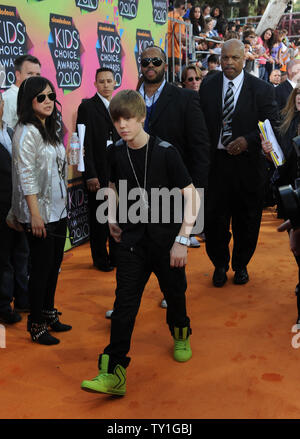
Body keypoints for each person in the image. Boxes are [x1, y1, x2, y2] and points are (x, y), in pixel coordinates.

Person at [81, 90, 200, 396]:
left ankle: (181, 333)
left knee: (175, 296)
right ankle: (114, 374)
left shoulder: (166, 152)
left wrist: (182, 240)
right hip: (132, 242)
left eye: (129, 119)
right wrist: (110, 217)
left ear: (142, 117)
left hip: (167, 240)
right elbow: (111, 185)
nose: (122, 125)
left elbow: (191, 196)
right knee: (123, 307)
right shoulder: (116, 153)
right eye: (117, 119)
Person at [199, 39, 279, 287]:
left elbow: (272, 125)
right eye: (225, 58)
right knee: (215, 220)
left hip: (248, 166)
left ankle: (241, 264)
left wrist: (248, 141)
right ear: (219, 59)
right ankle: (220, 264)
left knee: (247, 219)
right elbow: (201, 124)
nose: (229, 62)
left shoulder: (262, 89)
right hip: (217, 165)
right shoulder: (209, 85)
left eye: (234, 58)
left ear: (244, 59)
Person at [7, 76, 72, 345]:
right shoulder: (26, 131)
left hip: (58, 211)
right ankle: (35, 324)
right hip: (40, 214)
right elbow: (26, 176)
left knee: (54, 267)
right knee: (41, 270)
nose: (48, 101)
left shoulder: (49, 128)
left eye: (51, 96)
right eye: (41, 97)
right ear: (28, 101)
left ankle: (47, 313)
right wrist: (34, 214)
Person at [261, 86, 300, 323]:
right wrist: (268, 152)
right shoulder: (286, 125)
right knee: (295, 246)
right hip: (288, 192)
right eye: (298, 97)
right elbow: (280, 160)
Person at [76, 68, 119, 271]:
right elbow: (85, 144)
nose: (106, 85)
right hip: (98, 173)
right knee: (99, 219)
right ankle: (100, 259)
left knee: (117, 216)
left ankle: (117, 257)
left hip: (117, 172)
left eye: (109, 81)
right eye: (101, 81)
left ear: (115, 82)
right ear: (95, 84)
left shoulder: (119, 106)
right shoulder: (87, 107)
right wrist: (90, 174)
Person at [0, 93, 24, 324]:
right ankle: (4, 306)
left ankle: (23, 298)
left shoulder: (11, 131)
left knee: (21, 253)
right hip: (1, 209)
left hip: (19, 206)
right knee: (4, 259)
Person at [3, 54, 41, 129]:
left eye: (38, 74)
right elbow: (4, 136)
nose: (35, 78)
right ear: (18, 75)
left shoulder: (38, 98)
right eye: (30, 74)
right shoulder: (7, 99)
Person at [168, 0, 187, 77]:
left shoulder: (167, 15)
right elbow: (179, 37)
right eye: (185, 10)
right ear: (182, 7)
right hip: (174, 53)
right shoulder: (179, 19)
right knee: (174, 78)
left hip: (165, 51)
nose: (185, 12)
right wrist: (193, 40)